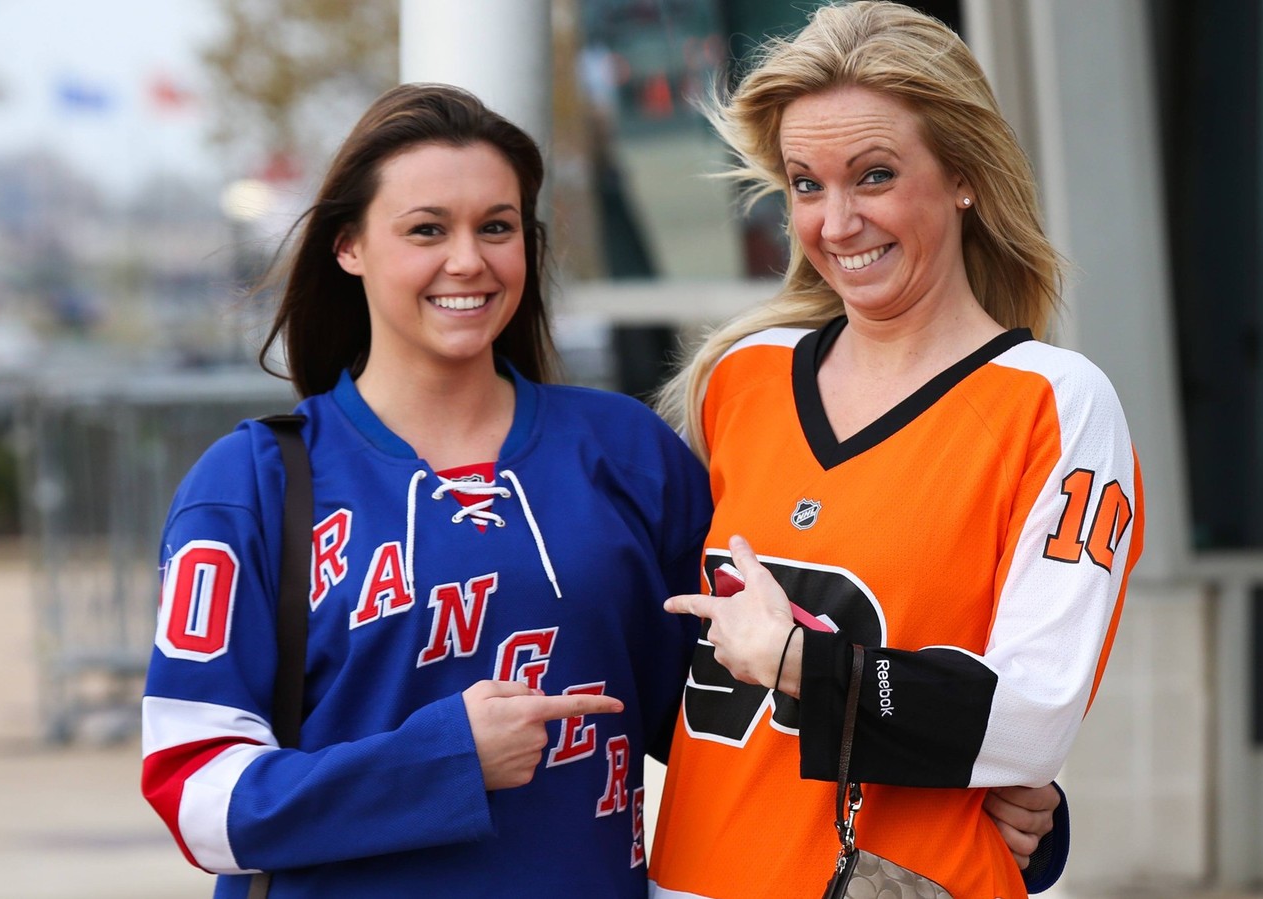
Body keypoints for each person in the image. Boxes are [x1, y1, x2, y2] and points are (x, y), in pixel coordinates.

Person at [140, 81, 1061, 897]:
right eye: (427, 229)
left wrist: (998, 794)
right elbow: (196, 799)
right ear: (348, 246)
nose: (469, 261)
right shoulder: (251, 486)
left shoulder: (625, 454)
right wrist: (441, 759)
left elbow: (743, 730)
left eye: (496, 228)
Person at [647, 4, 1143, 899]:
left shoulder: (1057, 404)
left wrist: (802, 665)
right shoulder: (737, 379)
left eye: (873, 176)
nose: (836, 223)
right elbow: (669, 668)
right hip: (690, 878)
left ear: (963, 176)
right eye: (805, 184)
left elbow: (1029, 720)